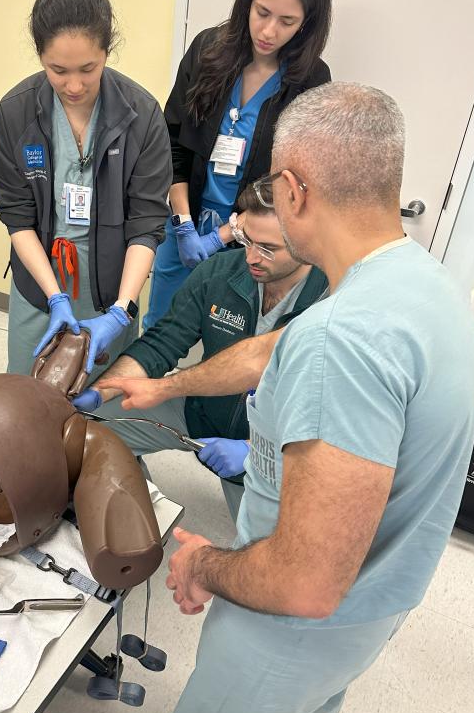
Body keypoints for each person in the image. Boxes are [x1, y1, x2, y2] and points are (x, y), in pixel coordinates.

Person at [97, 83, 474, 713]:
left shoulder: (342, 341)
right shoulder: (422, 284)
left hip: (292, 617)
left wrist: (202, 563)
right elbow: (270, 349)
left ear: (294, 190)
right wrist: (164, 385)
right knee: (319, 694)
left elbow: (305, 582)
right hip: (381, 594)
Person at [75, 187, 328, 521]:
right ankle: (132, 511)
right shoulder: (220, 272)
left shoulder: (331, 300)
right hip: (200, 411)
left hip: (275, 445)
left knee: (274, 554)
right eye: (247, 239)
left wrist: (255, 452)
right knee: (92, 428)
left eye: (268, 249)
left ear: (305, 242)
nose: (251, 257)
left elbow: (329, 417)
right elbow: (162, 343)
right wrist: (101, 390)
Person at [0, 0, 171, 377]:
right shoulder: (16, 114)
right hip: (40, 288)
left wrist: (122, 310)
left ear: (107, 50)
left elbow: (146, 223)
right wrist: (54, 298)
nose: (73, 85)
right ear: (39, 57)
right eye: (58, 70)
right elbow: (17, 218)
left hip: (113, 291)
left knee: (100, 408)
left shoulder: (140, 115)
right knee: (29, 401)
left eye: (88, 69)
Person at [145, 0, 332, 328]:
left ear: (307, 23)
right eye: (262, 12)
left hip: (253, 240)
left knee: (225, 343)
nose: (268, 30)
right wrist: (183, 224)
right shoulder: (207, 51)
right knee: (160, 329)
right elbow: (172, 147)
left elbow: (297, 181)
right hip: (186, 223)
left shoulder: (311, 81)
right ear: (247, 0)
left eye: (287, 21)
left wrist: (227, 236)